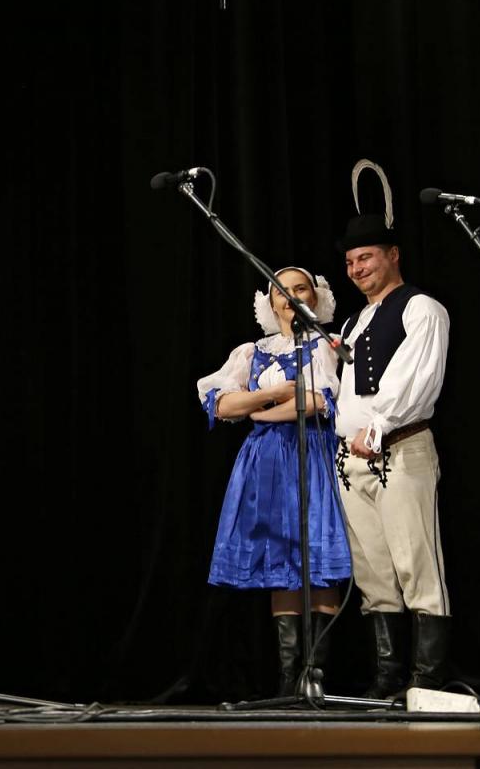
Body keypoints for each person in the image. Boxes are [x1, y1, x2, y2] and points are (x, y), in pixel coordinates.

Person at [196, 267, 351, 695]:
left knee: (317, 559)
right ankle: (288, 677)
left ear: (315, 297)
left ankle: (314, 675)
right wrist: (273, 395)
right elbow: (222, 404)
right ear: (271, 301)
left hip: (311, 450)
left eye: (300, 288)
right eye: (282, 290)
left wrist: (261, 412)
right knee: (280, 562)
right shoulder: (252, 351)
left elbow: (320, 400)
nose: (291, 296)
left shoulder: (325, 345)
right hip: (266, 460)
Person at [334, 188, 451, 697]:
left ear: (393, 255)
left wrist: (379, 425)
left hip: (400, 449)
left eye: (365, 258)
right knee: (374, 573)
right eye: (350, 262)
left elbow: (415, 378)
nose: (356, 269)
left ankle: (426, 679)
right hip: (352, 460)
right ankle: (388, 679)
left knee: (416, 563)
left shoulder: (420, 308)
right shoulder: (354, 321)